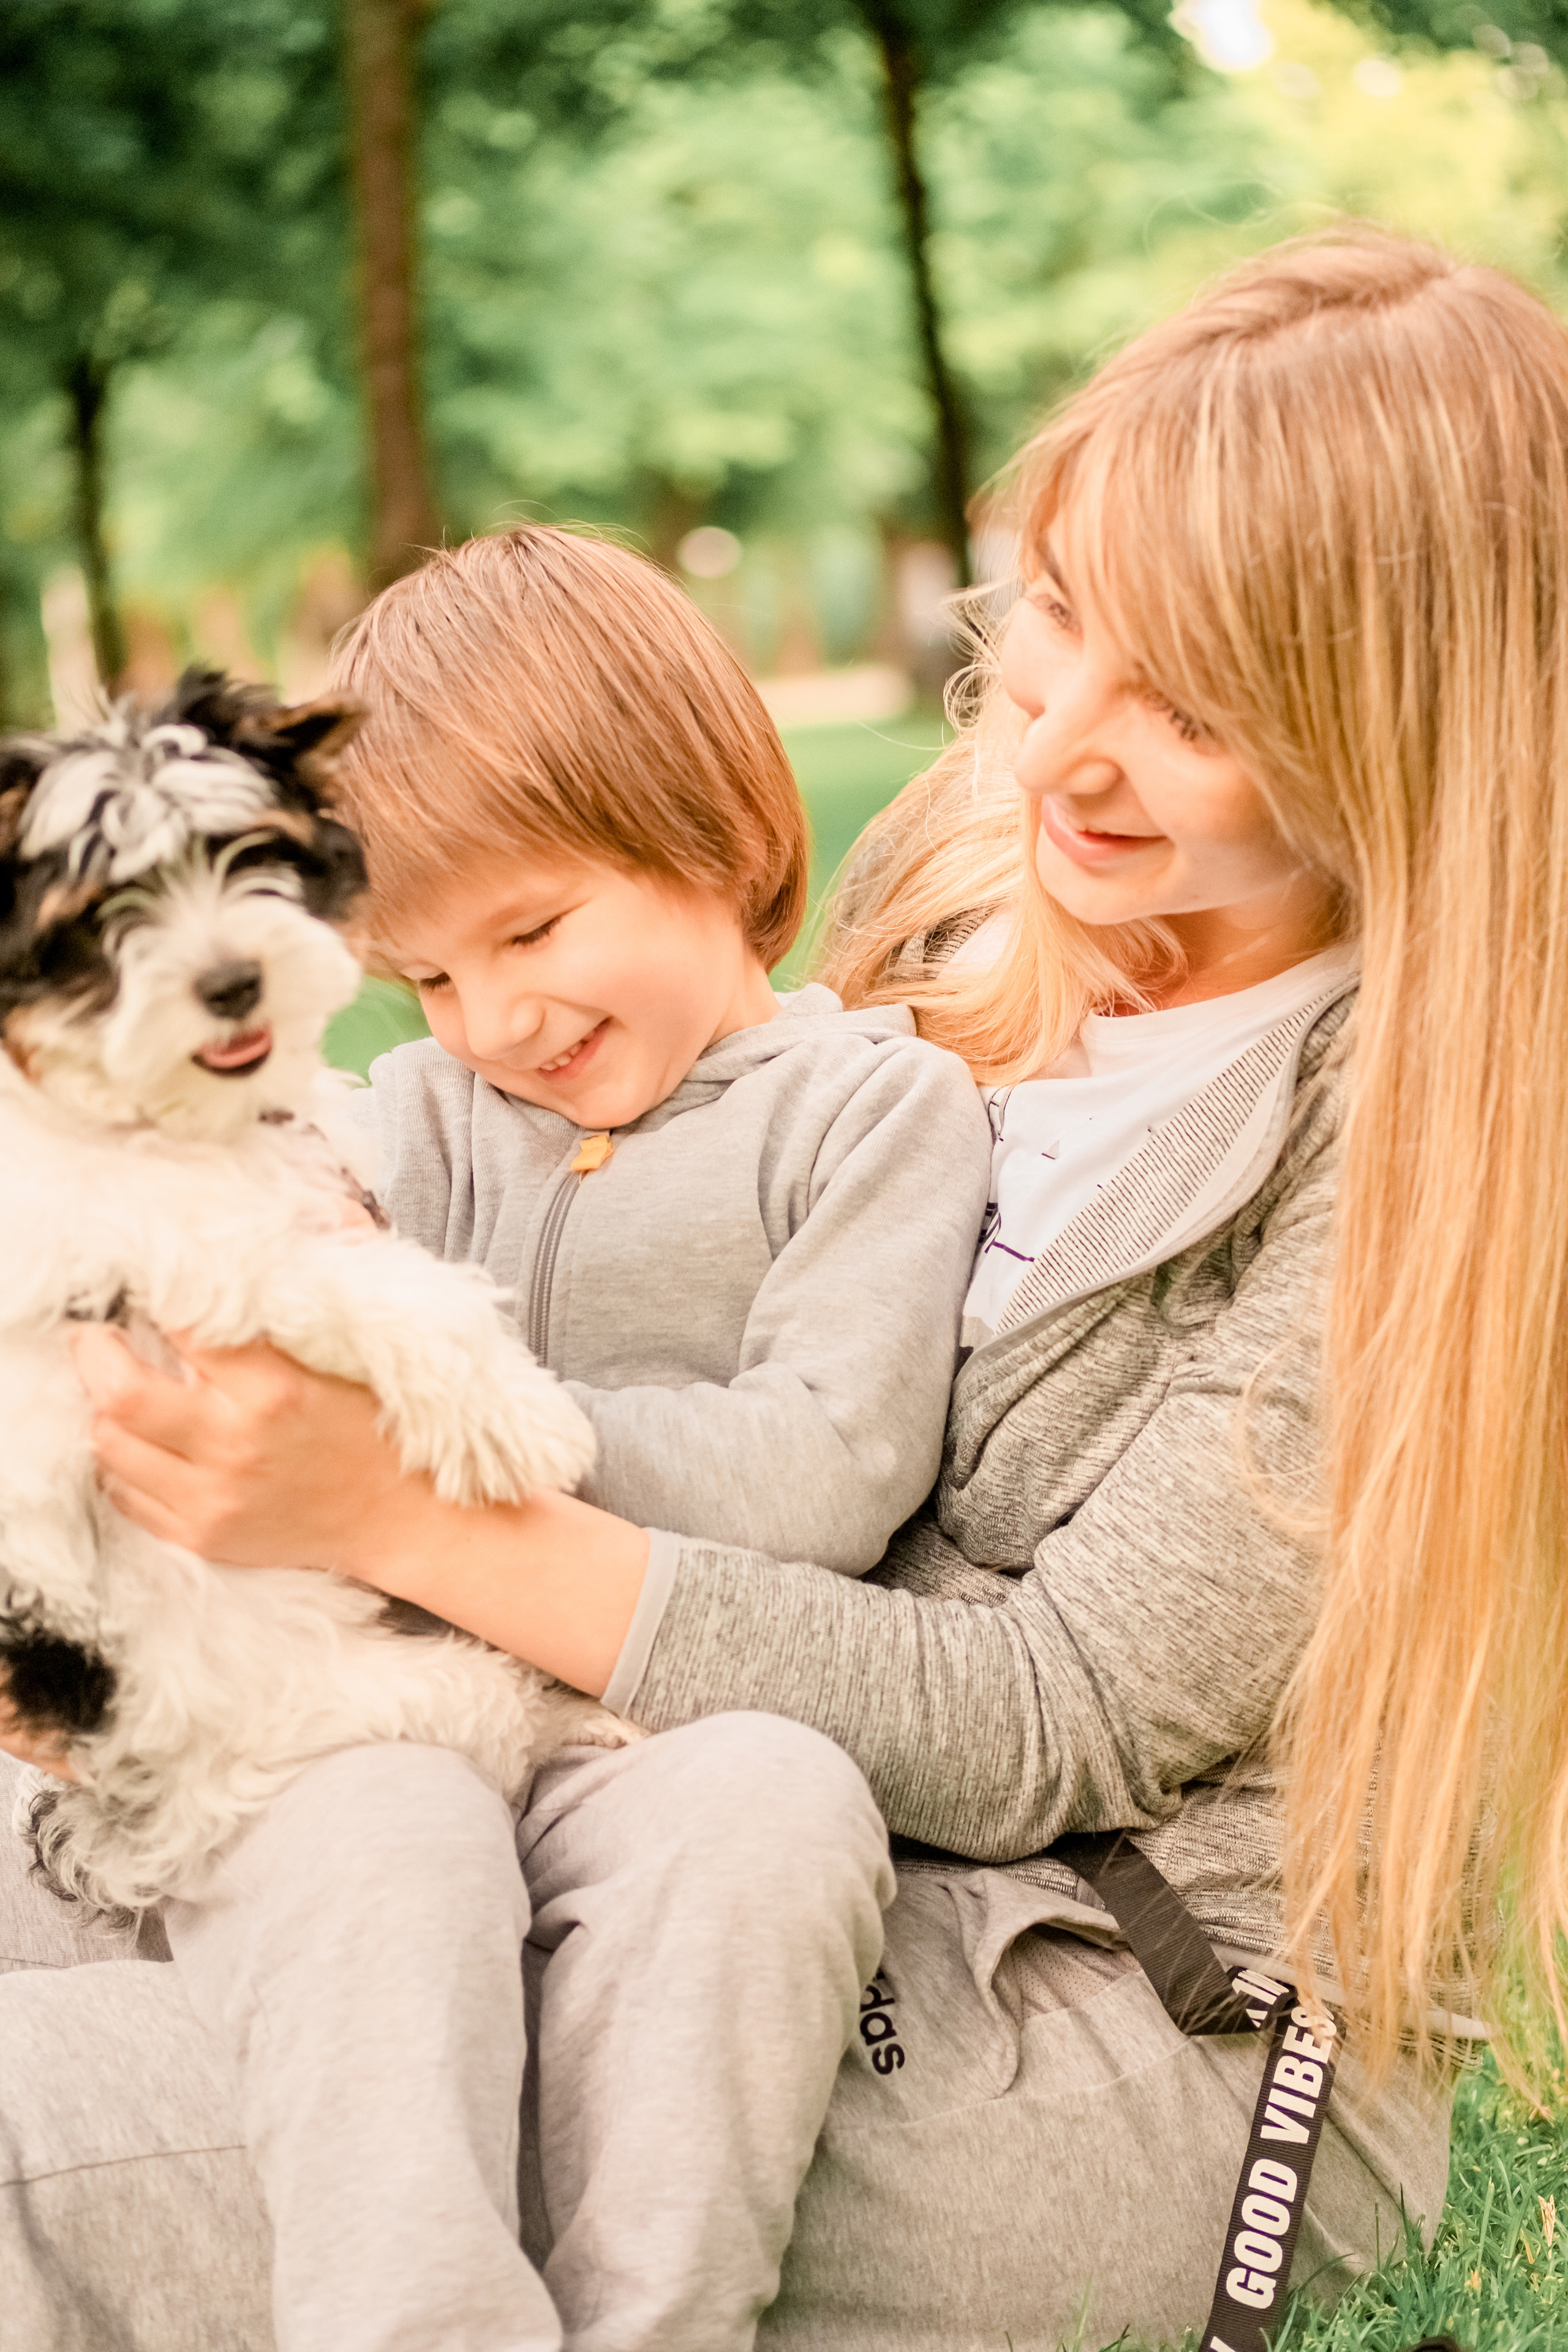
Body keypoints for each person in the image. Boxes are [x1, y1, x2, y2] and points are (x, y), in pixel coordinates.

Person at [4, 219, 1561, 2348]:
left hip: (1075, 1991)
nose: (1052, 750)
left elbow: (1054, 1719)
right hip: (637, 1807)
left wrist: (395, 1508)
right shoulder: (972, 871)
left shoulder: (1439, 1145)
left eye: (1187, 704)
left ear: (1396, 725)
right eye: (1059, 627)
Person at [0, 525, 992, 2352]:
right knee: (344, 1827)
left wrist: (424, 1469)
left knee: (777, 1805)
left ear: (714, 828)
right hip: (368, 1721)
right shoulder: (426, 1112)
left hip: (646, 1724)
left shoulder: (869, 1113)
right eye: (432, 982)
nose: (498, 1024)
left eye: (533, 933)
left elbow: (826, 1472)